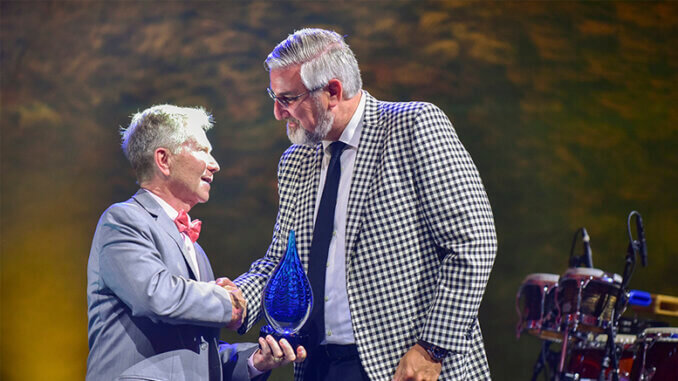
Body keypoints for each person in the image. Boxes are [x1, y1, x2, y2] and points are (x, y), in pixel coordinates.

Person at [234, 28, 497, 381]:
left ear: (332, 91)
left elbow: (473, 244)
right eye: (275, 97)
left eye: (289, 99)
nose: (279, 113)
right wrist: (236, 298)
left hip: (405, 366)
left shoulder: (412, 125)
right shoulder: (295, 161)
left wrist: (432, 348)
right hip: (316, 365)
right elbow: (281, 261)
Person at [86, 104, 305, 381]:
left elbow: (199, 357)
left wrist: (256, 361)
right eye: (203, 150)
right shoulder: (123, 220)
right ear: (163, 160)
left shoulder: (196, 251)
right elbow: (157, 295)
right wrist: (229, 302)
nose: (215, 164)